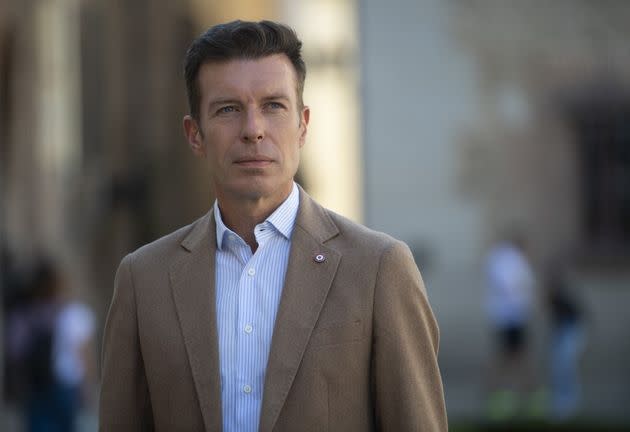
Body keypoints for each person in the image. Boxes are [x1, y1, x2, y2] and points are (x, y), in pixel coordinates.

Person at [99, 20, 447, 432]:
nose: (253, 130)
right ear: (195, 135)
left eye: (273, 106)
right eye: (228, 109)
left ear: (302, 125)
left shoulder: (378, 269)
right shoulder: (144, 280)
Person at [484, 233, 539, 420]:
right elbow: (509, 285)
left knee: (517, 357)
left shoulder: (510, 259)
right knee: (508, 358)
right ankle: (499, 395)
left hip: (514, 318)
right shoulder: (506, 259)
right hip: (509, 318)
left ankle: (521, 396)